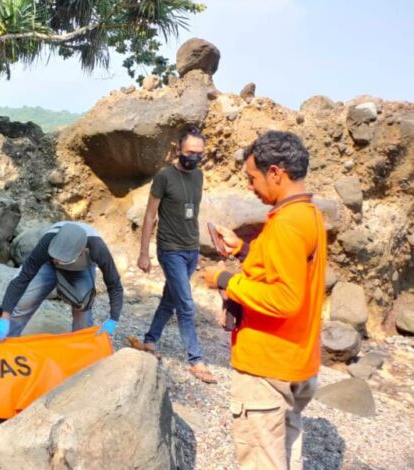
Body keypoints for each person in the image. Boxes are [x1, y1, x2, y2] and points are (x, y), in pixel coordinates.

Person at [202, 131, 327, 469]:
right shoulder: (308, 214)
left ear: (275, 173)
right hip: (297, 360)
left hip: (268, 368)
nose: (251, 187)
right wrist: (242, 250)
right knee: (284, 453)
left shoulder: (287, 224)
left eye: (253, 178)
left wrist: (225, 280)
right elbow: (284, 268)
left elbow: (285, 298)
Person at [131, 127, 216, 383]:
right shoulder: (164, 177)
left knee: (170, 299)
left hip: (190, 249)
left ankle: (149, 340)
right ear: (178, 149)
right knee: (186, 305)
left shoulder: (199, 176)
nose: (194, 157)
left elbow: (193, 214)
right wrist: (144, 253)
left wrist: (198, 249)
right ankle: (196, 359)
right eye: (190, 152)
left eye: (199, 153)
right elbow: (149, 215)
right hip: (170, 250)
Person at [0, 221, 123, 340]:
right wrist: (5, 317)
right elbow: (23, 278)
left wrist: (113, 319)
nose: (59, 261)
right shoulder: (48, 241)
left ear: (82, 251)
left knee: (82, 309)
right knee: (25, 302)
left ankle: (82, 347)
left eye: (62, 259)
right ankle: (5, 340)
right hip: (48, 265)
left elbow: (114, 285)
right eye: (57, 257)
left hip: (80, 270)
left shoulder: (96, 247)